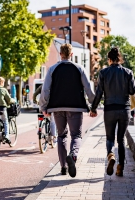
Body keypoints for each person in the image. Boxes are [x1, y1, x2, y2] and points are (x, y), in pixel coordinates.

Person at [39, 43, 95, 178]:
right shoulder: (79, 68)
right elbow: (88, 89)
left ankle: (63, 166)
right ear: (72, 54)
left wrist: (43, 107)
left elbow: (45, 90)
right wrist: (93, 104)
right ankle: (73, 156)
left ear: (60, 54)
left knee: (61, 136)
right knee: (76, 135)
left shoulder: (52, 69)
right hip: (75, 107)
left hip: (57, 107)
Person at [90, 47, 135, 177]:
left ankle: (110, 154)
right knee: (121, 139)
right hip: (124, 109)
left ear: (109, 59)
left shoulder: (104, 73)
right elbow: (132, 91)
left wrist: (93, 108)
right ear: (119, 58)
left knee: (110, 137)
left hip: (109, 109)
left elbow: (99, 93)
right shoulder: (128, 72)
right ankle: (120, 168)